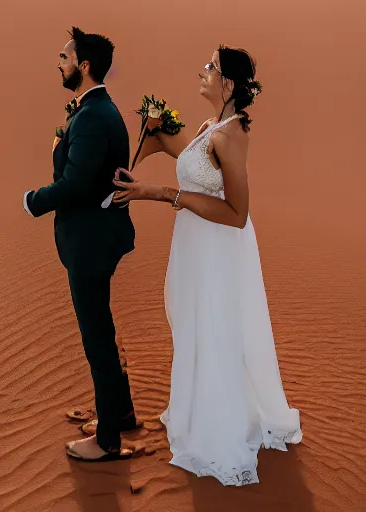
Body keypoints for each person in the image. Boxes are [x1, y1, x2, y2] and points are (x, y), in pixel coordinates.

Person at [112, 45, 302, 485]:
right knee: (194, 323)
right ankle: (196, 407)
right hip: (196, 247)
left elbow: (237, 214)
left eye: (210, 67)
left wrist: (160, 194)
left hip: (218, 250)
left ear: (228, 83)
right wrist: (151, 135)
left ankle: (218, 428)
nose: (202, 71)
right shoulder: (211, 126)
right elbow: (187, 159)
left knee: (214, 326)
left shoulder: (229, 137)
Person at [22, 27, 140, 462]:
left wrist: (32, 201)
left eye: (64, 56)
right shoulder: (95, 110)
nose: (60, 62)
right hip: (97, 237)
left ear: (83, 65)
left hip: (90, 242)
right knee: (101, 329)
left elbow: (72, 185)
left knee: (97, 338)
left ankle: (108, 438)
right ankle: (120, 410)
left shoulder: (92, 116)